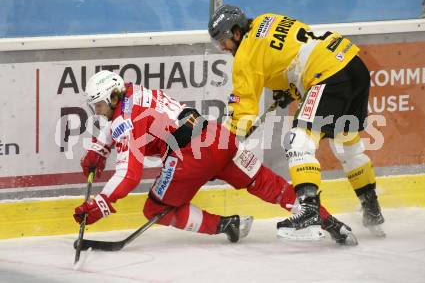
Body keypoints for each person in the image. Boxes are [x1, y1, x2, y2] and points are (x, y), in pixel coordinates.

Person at [73, 70, 358, 245]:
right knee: (267, 184)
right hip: (218, 138)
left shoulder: (125, 119)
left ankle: (226, 225)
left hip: (189, 159)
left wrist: (102, 203)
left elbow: (128, 174)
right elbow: (119, 122)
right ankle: (331, 223)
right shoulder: (133, 90)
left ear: (112, 97)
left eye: (99, 104)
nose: (97, 111)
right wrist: (100, 148)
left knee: (154, 209)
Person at [208, 4, 386, 240]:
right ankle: (371, 209)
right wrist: (290, 89)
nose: (222, 47)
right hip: (352, 65)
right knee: (346, 144)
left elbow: (242, 112)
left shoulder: (245, 56)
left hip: (327, 76)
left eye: (224, 40)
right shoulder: (266, 19)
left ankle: (309, 209)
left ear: (237, 32)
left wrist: (221, 148)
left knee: (298, 142)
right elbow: (291, 54)